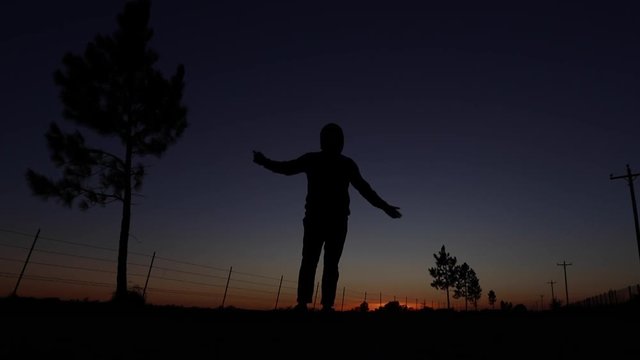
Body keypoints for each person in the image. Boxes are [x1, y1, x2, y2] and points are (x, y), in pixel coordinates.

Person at [253, 123, 402, 312]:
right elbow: (286, 168)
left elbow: (365, 189)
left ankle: (325, 305)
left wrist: (384, 206)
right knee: (311, 260)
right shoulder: (315, 159)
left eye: (335, 138)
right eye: (329, 137)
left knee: (328, 264)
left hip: (337, 222)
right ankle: (304, 303)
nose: (332, 142)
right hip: (316, 220)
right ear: (324, 140)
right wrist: (264, 161)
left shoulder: (346, 164)